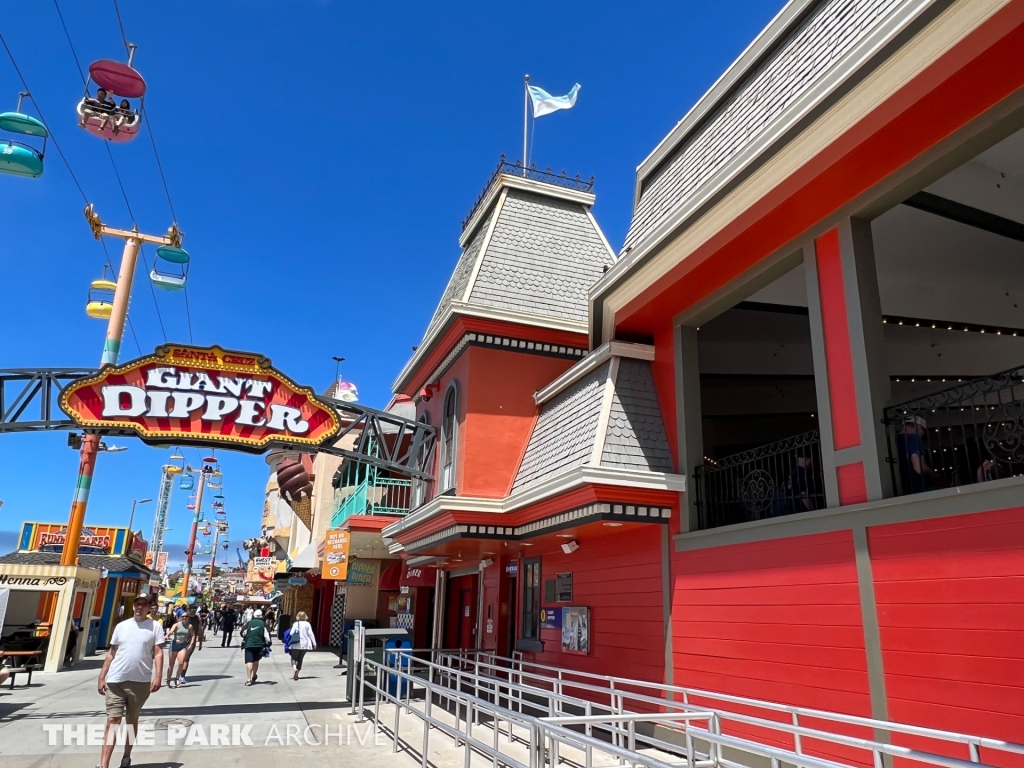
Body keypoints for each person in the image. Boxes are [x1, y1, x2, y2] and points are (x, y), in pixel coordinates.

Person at [96, 593, 164, 768]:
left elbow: (157, 653)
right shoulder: (121, 626)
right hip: (115, 680)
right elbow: (111, 653)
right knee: (113, 720)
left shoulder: (155, 627)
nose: (139, 607)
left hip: (140, 682)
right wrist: (102, 676)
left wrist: (158, 675)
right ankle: (103, 765)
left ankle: (126, 756)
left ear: (149, 607)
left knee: (132, 720)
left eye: (143, 604)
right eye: (137, 604)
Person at [896, 415, 935, 494]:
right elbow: (919, 468)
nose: (922, 433)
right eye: (923, 430)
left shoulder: (895, 439)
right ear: (918, 426)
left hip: (900, 488)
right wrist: (933, 474)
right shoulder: (914, 439)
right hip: (917, 487)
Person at [239, 609, 271, 686]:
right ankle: (254, 675)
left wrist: (247, 637)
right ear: (261, 616)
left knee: (249, 661)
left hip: (249, 644)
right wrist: (268, 643)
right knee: (256, 660)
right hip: (259, 644)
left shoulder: (249, 623)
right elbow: (267, 635)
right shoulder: (263, 623)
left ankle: (249, 679)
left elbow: (242, 633)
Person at [165, 612, 194, 689]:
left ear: (188, 618)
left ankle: (177, 679)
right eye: (183, 616)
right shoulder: (177, 625)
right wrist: (167, 635)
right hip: (174, 645)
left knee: (181, 663)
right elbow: (171, 631)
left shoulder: (190, 626)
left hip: (182, 645)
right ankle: (168, 679)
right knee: (171, 664)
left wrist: (191, 644)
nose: (184, 618)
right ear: (180, 617)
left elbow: (193, 635)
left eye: (186, 616)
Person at [287, 611, 316, 681]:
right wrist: (314, 643)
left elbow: (291, 633)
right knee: (300, 659)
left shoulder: (295, 624)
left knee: (293, 658)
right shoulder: (307, 624)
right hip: (305, 644)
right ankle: (297, 674)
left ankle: (294, 668)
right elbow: (311, 634)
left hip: (296, 644)